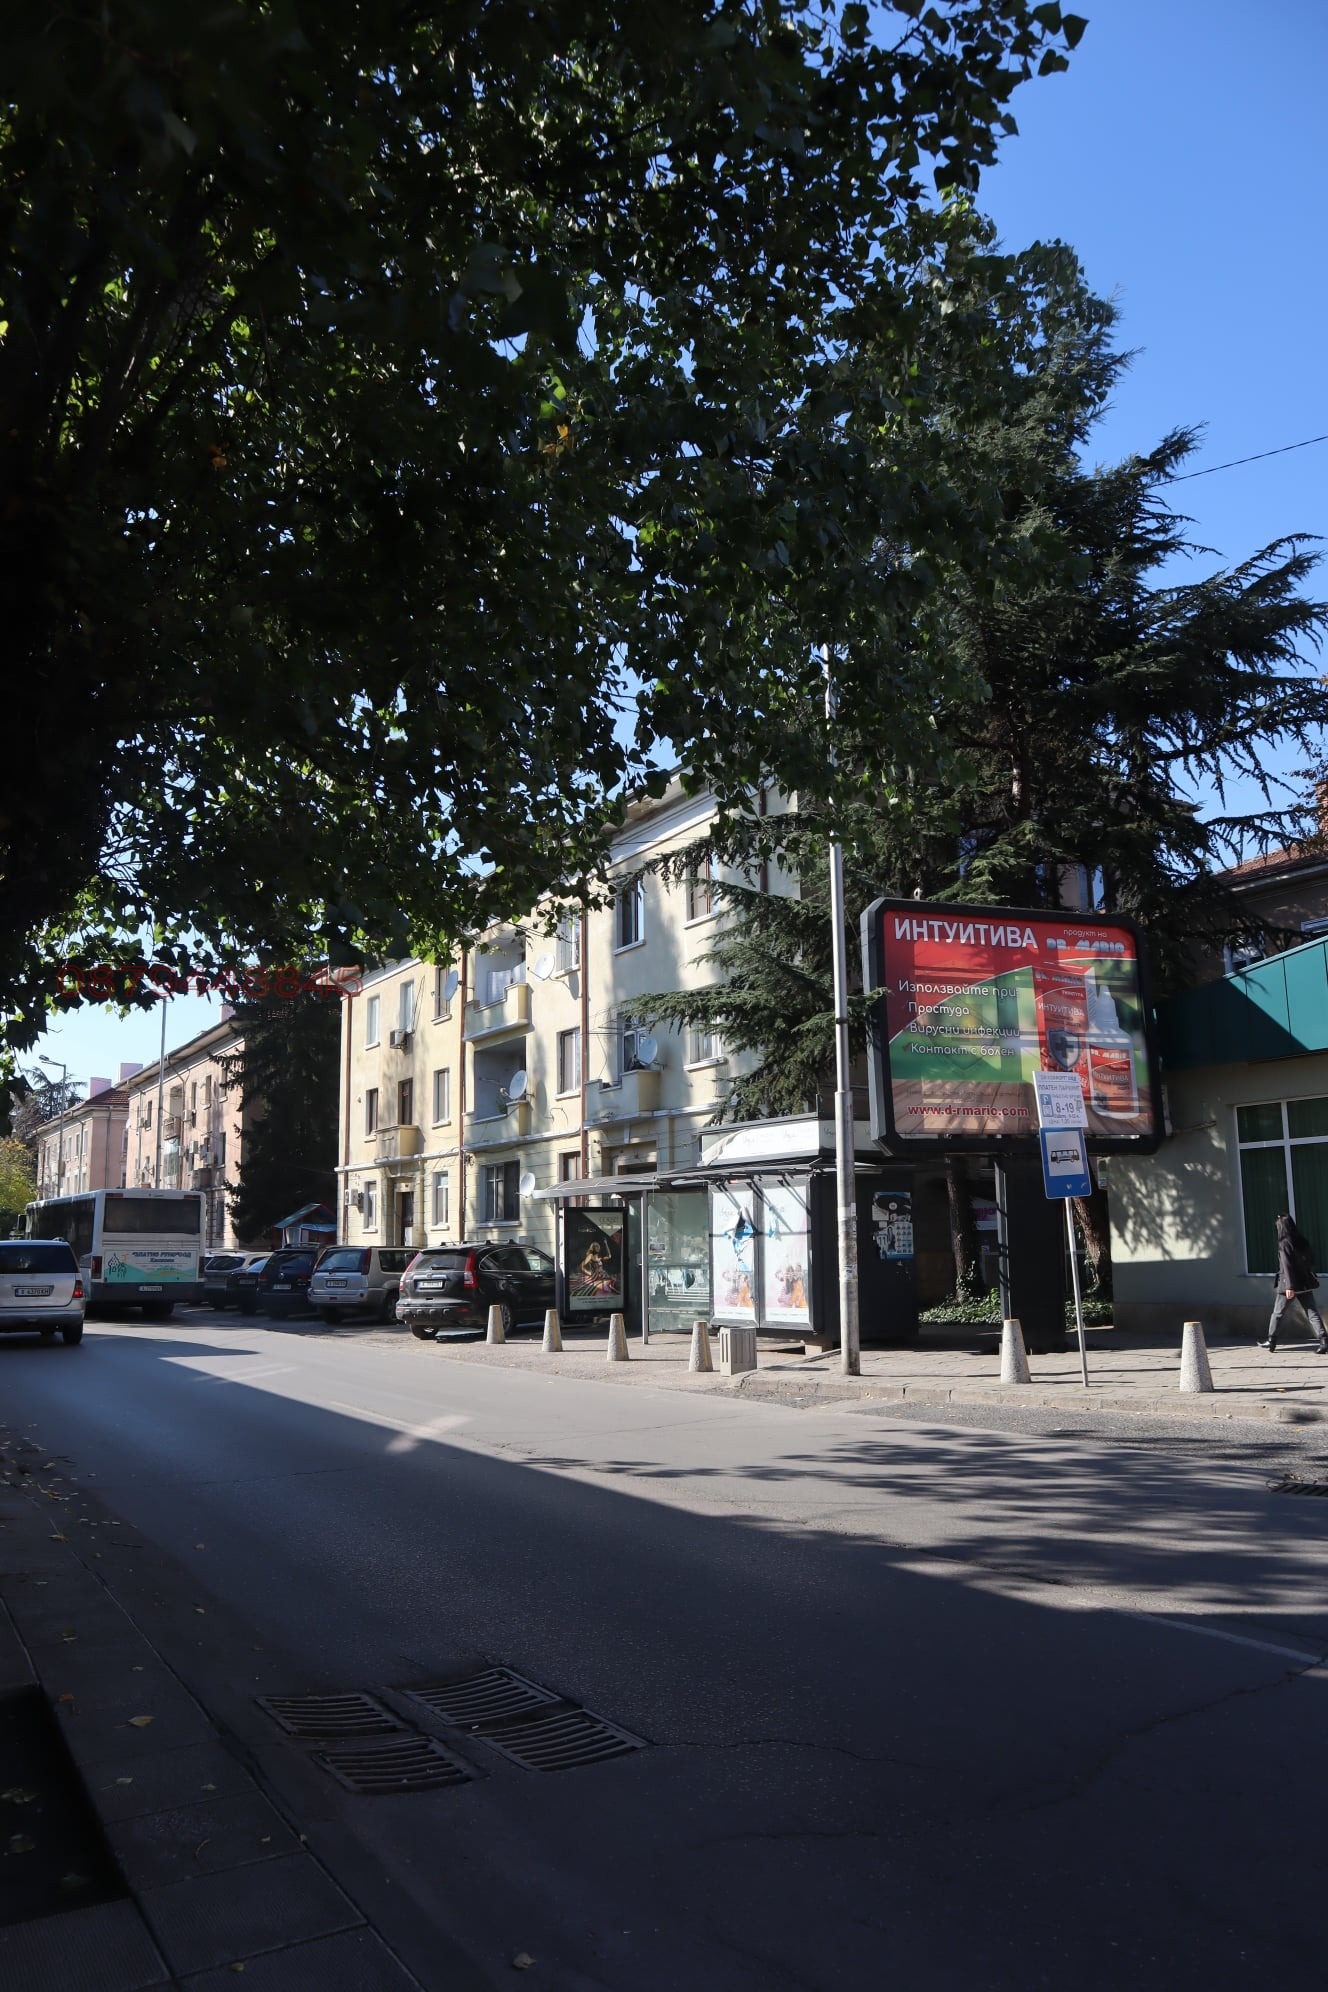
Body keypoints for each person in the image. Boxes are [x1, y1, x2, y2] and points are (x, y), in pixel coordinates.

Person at [1259, 1214, 1328, 1353]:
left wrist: (1290, 1286)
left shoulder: (1284, 1243)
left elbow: (1287, 1266)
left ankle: (1271, 1341)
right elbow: (1311, 1260)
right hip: (1304, 1283)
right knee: (1312, 1311)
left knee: (1278, 1313)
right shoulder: (1301, 1241)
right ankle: (1324, 1340)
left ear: (1281, 1227)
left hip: (1288, 1284)